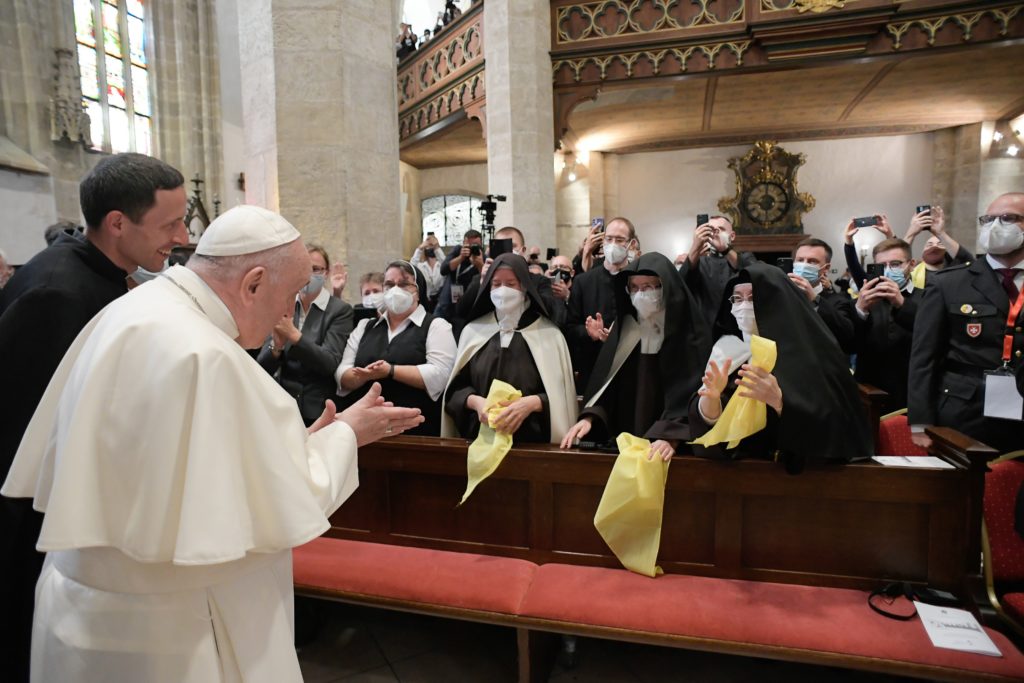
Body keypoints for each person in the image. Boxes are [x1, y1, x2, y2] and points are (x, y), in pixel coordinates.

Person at [1, 205, 423, 682]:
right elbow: (280, 501)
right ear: (254, 283)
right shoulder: (204, 352)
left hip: (84, 612)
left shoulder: (134, 312)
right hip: (169, 634)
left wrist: (290, 443)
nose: (289, 314)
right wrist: (350, 432)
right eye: (287, 297)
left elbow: (185, 465)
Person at [0, 152, 187, 683]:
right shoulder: (59, 292)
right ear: (118, 223)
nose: (180, 235)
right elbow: (27, 428)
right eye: (169, 223)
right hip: (31, 519)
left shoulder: (102, 275)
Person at [690, 263, 871, 471]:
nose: (744, 306)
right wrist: (710, 402)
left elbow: (833, 426)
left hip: (790, 476)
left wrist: (781, 404)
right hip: (734, 472)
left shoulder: (811, 350)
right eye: (737, 299)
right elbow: (710, 430)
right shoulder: (727, 349)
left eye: (752, 297)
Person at [561, 253, 711, 461]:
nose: (641, 294)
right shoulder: (626, 330)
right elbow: (608, 386)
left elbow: (691, 393)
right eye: (634, 288)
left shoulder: (690, 332)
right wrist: (591, 417)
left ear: (666, 286)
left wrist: (671, 435)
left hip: (673, 451)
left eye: (649, 286)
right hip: (628, 441)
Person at [908, 192, 1024, 453]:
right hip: (965, 409)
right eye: (988, 219)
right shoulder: (949, 283)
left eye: (1007, 218)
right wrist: (920, 420)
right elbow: (924, 356)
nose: (995, 226)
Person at [443, 253, 576, 444]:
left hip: (533, 445)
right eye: (496, 284)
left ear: (524, 286)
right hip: (479, 439)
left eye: (511, 284)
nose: (502, 290)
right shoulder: (473, 332)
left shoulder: (550, 335)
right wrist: (475, 402)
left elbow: (562, 395)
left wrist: (532, 403)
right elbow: (456, 389)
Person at [337, 260, 456, 435]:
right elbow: (342, 373)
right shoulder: (365, 326)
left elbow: (439, 375)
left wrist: (390, 371)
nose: (395, 290)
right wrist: (362, 376)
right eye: (390, 284)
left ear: (418, 291)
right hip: (364, 430)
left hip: (416, 429)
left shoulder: (436, 326)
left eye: (404, 284)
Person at [257, 244, 354, 426]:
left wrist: (294, 336)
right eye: (303, 269)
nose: (309, 274)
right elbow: (261, 368)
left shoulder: (339, 311)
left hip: (318, 409)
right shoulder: (283, 305)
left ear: (326, 273)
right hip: (282, 407)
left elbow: (330, 363)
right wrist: (276, 348)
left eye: (315, 269)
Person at [566, 217, 638, 391]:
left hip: (631, 366)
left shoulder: (639, 278)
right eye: (609, 239)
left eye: (620, 240)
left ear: (631, 244)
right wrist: (589, 333)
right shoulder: (584, 281)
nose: (613, 244)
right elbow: (569, 326)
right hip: (593, 366)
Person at [854, 238, 919, 412]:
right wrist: (860, 309)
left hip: (912, 391)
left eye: (896, 264)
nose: (889, 270)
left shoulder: (929, 297)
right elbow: (849, 342)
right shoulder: (864, 299)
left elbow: (932, 335)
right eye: (883, 265)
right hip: (869, 392)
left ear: (911, 264)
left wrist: (901, 303)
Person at [678, 215, 758, 325]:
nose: (715, 233)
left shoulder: (746, 257)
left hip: (739, 326)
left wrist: (725, 249)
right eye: (710, 230)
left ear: (732, 236)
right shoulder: (699, 261)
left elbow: (754, 275)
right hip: (706, 330)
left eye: (721, 230)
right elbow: (681, 286)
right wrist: (695, 247)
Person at [789, 238, 857, 354]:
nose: (804, 265)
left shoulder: (838, 301)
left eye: (812, 261)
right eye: (800, 260)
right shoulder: (783, 295)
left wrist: (814, 299)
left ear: (825, 268)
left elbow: (847, 339)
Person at [903, 206, 972, 288]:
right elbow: (897, 261)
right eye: (929, 244)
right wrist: (911, 233)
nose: (934, 246)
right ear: (922, 253)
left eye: (940, 244)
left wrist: (941, 233)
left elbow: (967, 260)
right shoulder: (913, 271)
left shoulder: (957, 271)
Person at [435, 229, 484, 322]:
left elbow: (486, 280)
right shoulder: (458, 251)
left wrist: (480, 264)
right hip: (446, 302)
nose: (472, 248)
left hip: (466, 307)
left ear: (481, 244)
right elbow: (443, 270)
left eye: (476, 245)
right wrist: (461, 258)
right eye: (469, 245)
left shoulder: (482, 257)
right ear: (463, 243)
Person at [410, 232, 444, 310]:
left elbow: (446, 264)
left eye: (432, 246)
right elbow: (412, 266)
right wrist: (420, 248)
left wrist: (436, 247)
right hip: (426, 301)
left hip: (440, 302)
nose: (430, 247)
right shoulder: (421, 266)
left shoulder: (441, 265)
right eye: (428, 246)